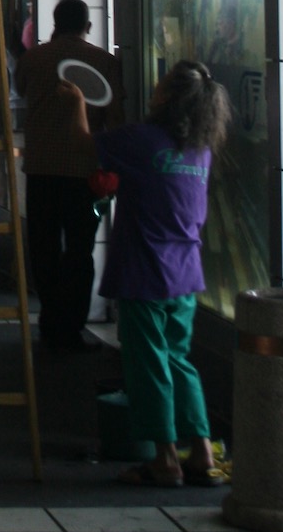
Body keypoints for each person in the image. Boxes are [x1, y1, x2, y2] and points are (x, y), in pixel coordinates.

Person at [74, 59, 231, 489]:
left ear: (166, 96)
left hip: (144, 271)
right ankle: (200, 450)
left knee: (148, 366)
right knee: (180, 361)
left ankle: (164, 459)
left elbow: (84, 143)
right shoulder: (200, 150)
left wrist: (76, 102)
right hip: (185, 273)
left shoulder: (142, 140)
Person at [17, 0, 124, 351]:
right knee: (80, 250)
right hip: (85, 173)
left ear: (54, 22)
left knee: (44, 248)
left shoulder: (33, 59)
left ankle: (50, 316)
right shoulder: (106, 62)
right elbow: (114, 119)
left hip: (41, 170)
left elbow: (21, 91)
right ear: (88, 26)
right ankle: (73, 325)